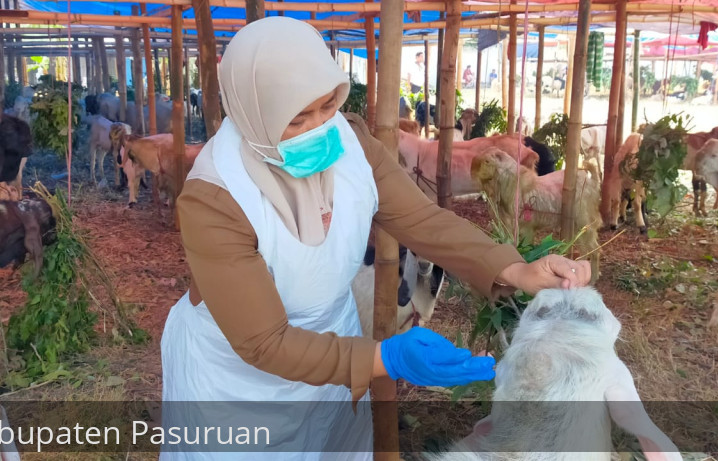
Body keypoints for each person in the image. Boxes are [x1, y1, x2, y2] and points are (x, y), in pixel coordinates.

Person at [161, 16, 592, 459]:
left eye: (327, 105)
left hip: (336, 346)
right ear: (254, 113)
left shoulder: (353, 146)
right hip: (240, 383)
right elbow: (265, 342)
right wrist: (386, 358)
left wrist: (514, 269)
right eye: (297, 119)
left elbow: (422, 218)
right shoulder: (216, 199)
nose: (319, 127)